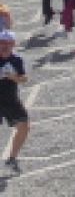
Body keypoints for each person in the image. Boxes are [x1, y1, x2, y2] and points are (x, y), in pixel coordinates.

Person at [0, 30, 28, 171]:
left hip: (11, 100)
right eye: (2, 43)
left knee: (24, 126)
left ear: (13, 44)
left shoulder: (17, 60)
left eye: (8, 43)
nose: (4, 46)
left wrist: (13, 77)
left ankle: (12, 158)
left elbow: (24, 79)